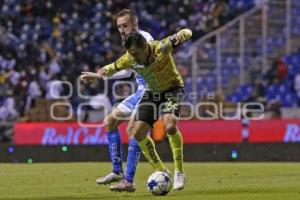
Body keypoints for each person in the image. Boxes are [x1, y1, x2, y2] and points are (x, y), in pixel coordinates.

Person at [81, 28, 193, 191]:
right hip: (152, 92)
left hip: (172, 89)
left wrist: (184, 33)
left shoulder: (161, 47)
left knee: (170, 126)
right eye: (130, 53)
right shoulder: (129, 58)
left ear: (145, 47)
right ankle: (161, 170)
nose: (133, 57)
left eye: (135, 53)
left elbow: (184, 34)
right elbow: (110, 68)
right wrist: (96, 75)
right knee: (138, 132)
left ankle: (179, 171)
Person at [94, 9, 153, 193]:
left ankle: (129, 181)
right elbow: (128, 71)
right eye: (119, 26)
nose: (121, 29)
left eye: (124, 26)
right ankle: (117, 171)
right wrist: (103, 75)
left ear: (134, 25)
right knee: (110, 121)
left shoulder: (145, 40)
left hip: (152, 93)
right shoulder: (129, 42)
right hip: (139, 92)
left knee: (134, 131)